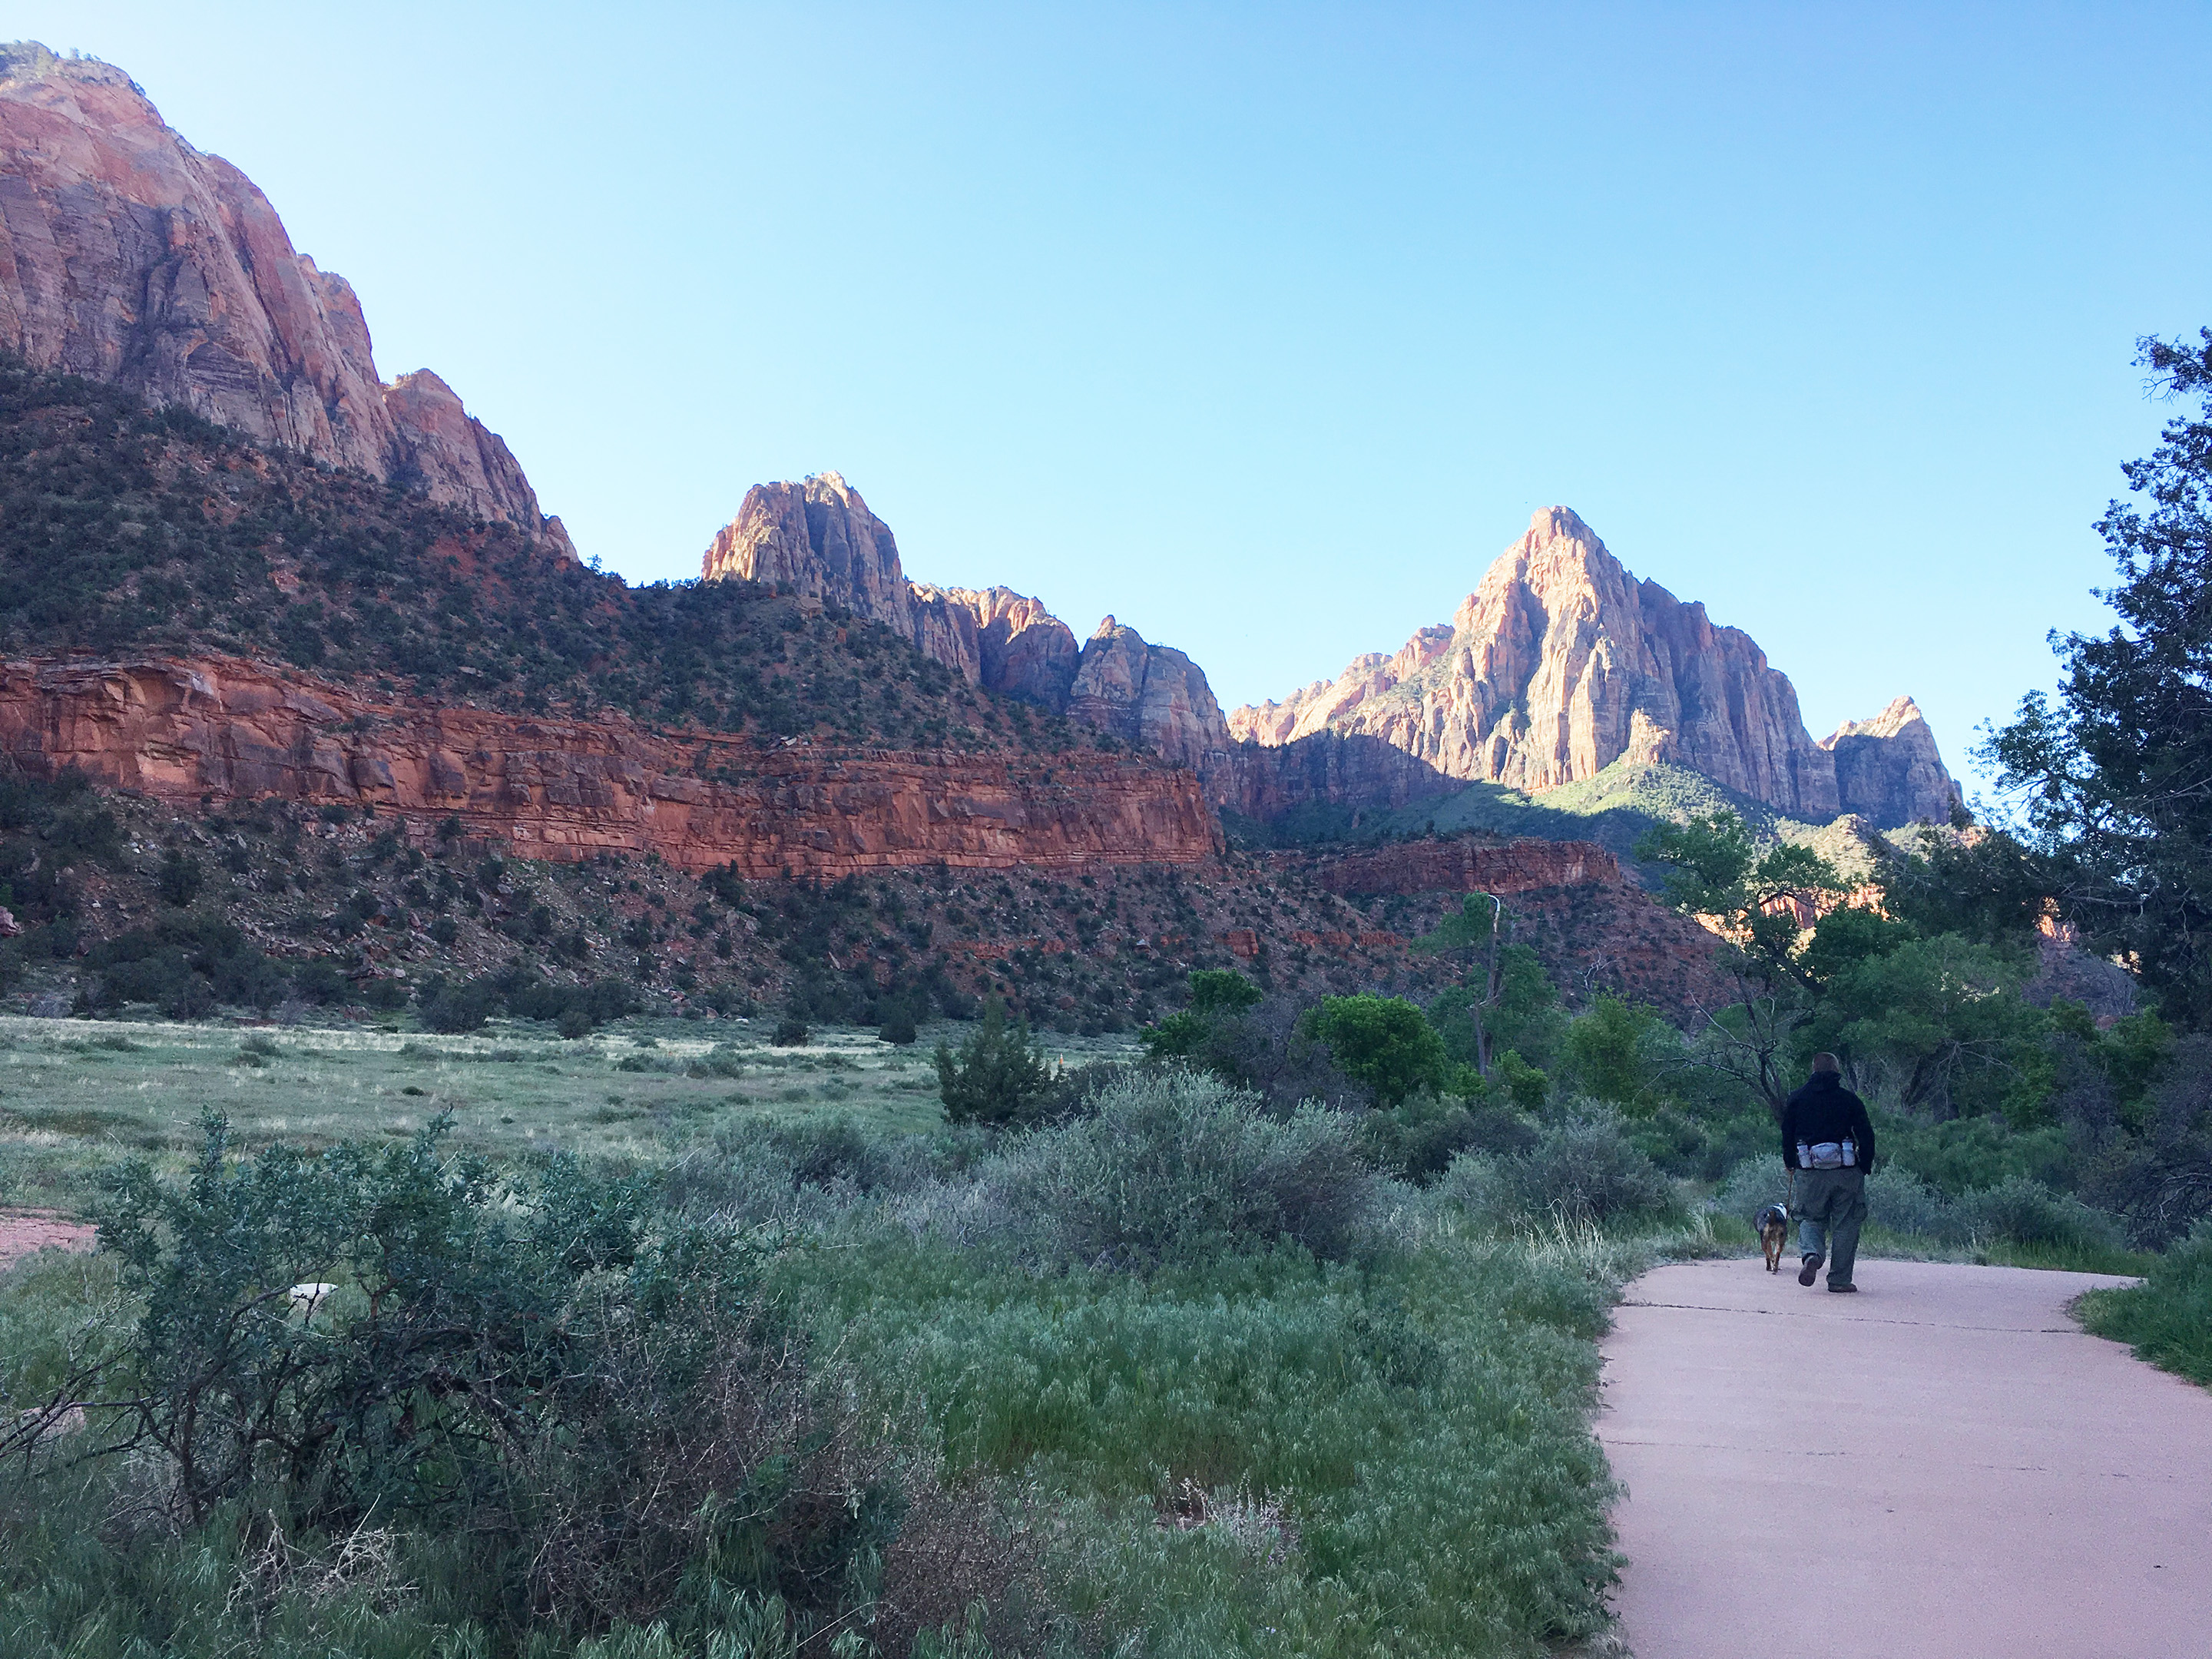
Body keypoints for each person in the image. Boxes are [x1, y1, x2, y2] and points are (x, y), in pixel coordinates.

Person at [1780, 1052, 1876, 1292]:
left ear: (1813, 1070)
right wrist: (1865, 1164)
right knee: (1846, 1223)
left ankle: (1812, 1255)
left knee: (1810, 1218)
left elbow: (1787, 1133)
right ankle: (1840, 1280)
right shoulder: (1849, 1100)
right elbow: (1866, 1133)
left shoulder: (1797, 1098)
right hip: (1846, 1171)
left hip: (1810, 1171)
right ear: (1836, 1070)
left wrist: (1790, 1161)